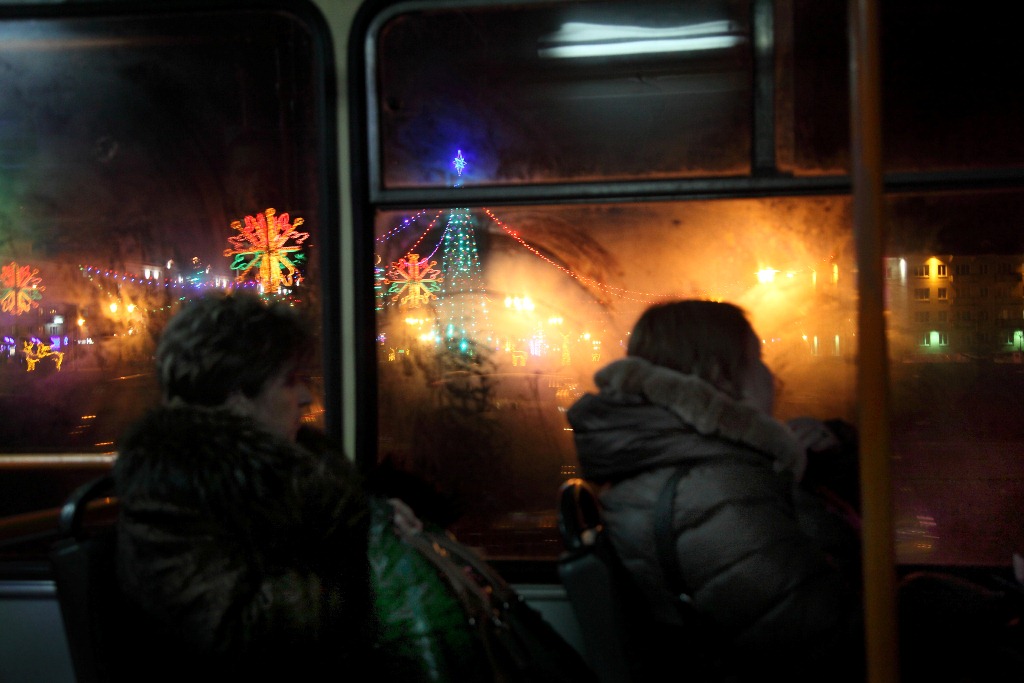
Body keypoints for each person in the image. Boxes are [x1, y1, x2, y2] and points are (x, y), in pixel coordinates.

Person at [113, 291, 414, 680]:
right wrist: (360, 549)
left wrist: (378, 517)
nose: (305, 397)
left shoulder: (299, 469)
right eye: (289, 381)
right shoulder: (171, 494)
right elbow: (238, 636)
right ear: (237, 396)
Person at [565, 300, 864, 682]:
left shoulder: (675, 469)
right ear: (718, 375)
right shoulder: (718, 492)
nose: (773, 377)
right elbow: (828, 641)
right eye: (758, 360)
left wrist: (823, 459)